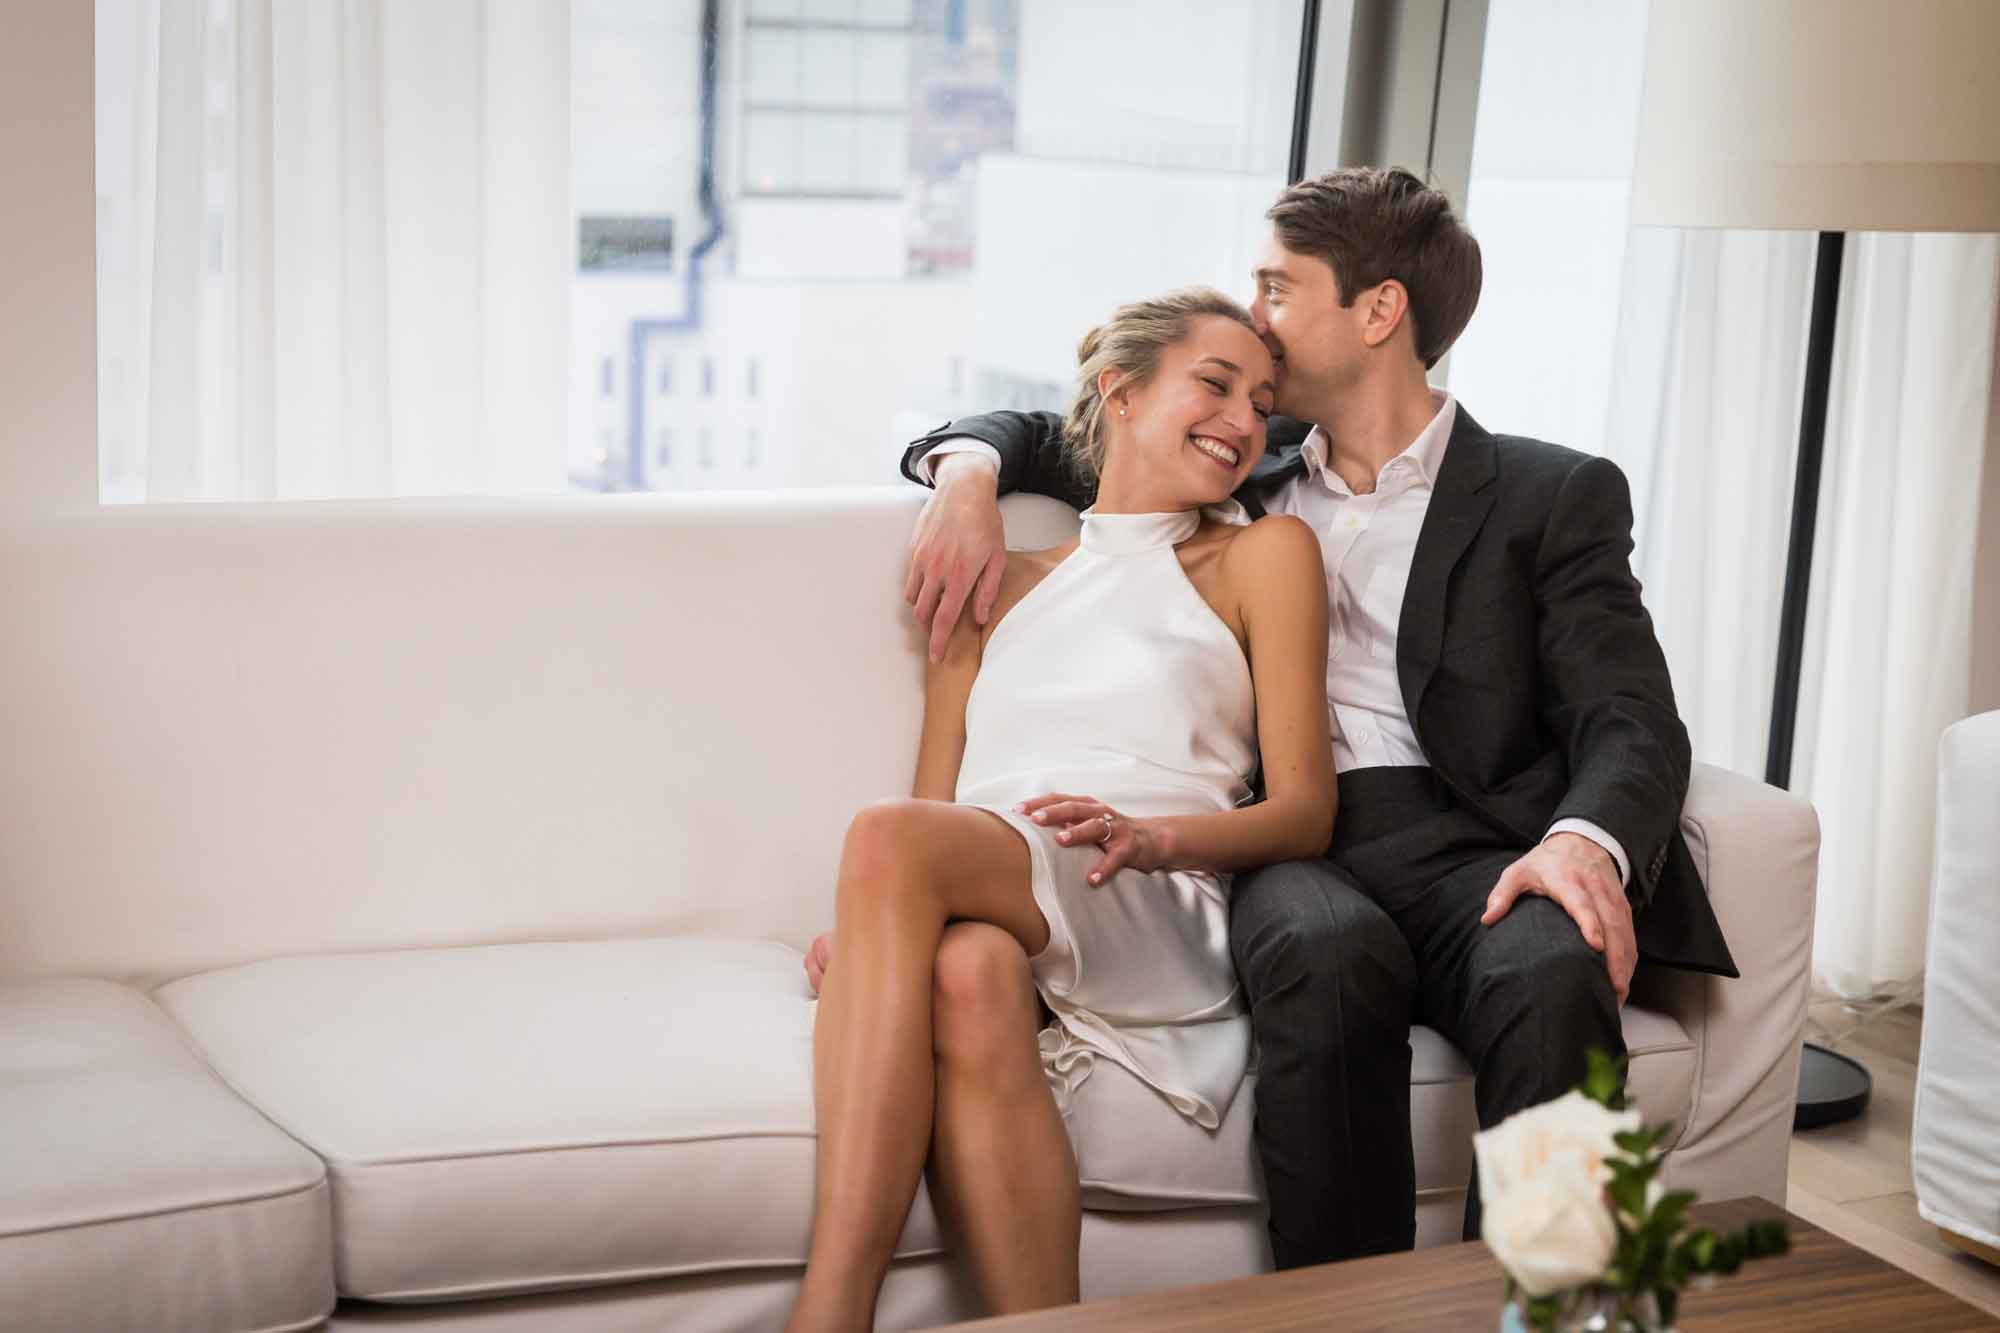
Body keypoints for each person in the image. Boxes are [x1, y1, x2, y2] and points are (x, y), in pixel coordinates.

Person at [891, 167, 1737, 1269]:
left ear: (1377, 310)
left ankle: (1552, 1300)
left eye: (1276, 289)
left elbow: (1631, 714)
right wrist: (964, 474)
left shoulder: (1549, 494)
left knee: (1548, 970)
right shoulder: (1241, 461)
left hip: (1476, 844)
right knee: (1318, 950)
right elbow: (1062, 418)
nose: (1256, 321)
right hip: (1301, 841)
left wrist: (1582, 843)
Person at [788, 287, 1335, 1332]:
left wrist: (1150, 838)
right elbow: (935, 800)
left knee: (883, 839)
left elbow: (1306, 812)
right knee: (965, 970)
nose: (1241, 420)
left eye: (1261, 401)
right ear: (1118, 394)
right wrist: (872, 935)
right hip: (1003, 890)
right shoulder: (1000, 585)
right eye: (1213, 384)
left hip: (1143, 886)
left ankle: (830, 1311)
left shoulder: (1259, 556)